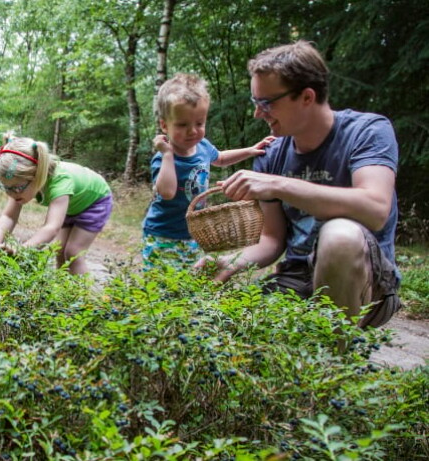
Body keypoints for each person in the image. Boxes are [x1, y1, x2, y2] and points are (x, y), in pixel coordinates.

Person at [195, 40, 401, 329]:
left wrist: (279, 185)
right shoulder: (271, 155)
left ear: (306, 97)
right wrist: (233, 262)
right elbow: (272, 239)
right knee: (236, 329)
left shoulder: (367, 132)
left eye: (266, 103)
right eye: (255, 103)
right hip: (295, 279)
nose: (258, 113)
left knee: (339, 234)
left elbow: (375, 208)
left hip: (370, 285)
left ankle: (336, 360)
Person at [142, 73, 275, 267]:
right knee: (162, 285)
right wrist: (168, 155)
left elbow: (220, 158)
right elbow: (168, 192)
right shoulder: (163, 158)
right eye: (182, 125)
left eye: (199, 123)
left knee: (190, 281)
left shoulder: (203, 146)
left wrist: (251, 150)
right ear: (164, 125)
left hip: (194, 233)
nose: (192, 131)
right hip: (162, 234)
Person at [0, 135, 113, 275]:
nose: (11, 194)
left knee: (73, 253)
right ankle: (63, 290)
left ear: (37, 176)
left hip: (95, 202)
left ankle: (83, 295)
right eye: (6, 187)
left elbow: (51, 227)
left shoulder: (60, 183)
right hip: (71, 204)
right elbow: (9, 216)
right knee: (59, 250)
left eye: (17, 188)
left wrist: (23, 248)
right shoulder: (19, 184)